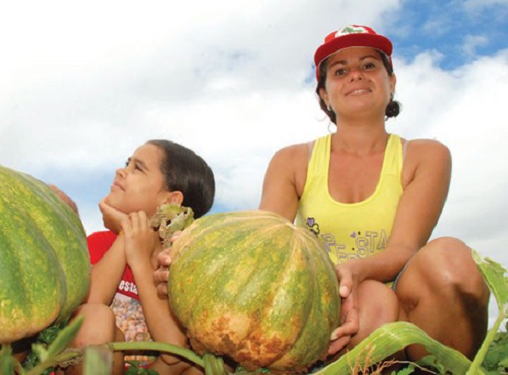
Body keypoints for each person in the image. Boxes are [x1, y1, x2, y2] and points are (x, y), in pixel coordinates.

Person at [156, 25, 490, 363]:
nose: (356, 76)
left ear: (391, 82)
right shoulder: (292, 161)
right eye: (340, 71)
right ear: (324, 96)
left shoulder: (425, 155)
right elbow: (261, 242)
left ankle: (438, 370)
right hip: (323, 306)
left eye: (369, 65)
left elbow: (404, 248)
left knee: (451, 260)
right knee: (371, 300)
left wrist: (352, 272)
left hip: (404, 299)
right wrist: (189, 257)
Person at [68, 139, 215, 375]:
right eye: (128, 163)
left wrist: (140, 259)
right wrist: (126, 233)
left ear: (170, 201)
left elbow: (173, 351)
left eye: (137, 168)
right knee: (95, 316)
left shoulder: (179, 267)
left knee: (199, 362)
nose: (121, 171)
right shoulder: (101, 243)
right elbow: (87, 307)